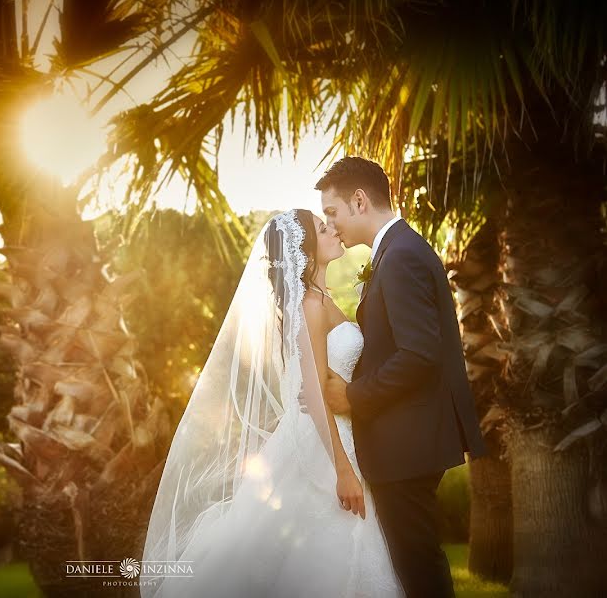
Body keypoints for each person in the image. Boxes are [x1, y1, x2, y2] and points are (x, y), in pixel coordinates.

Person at [140, 206, 404, 598]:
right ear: (306, 250)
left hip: (340, 432)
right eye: (321, 227)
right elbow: (313, 394)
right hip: (323, 443)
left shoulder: (323, 299)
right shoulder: (309, 307)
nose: (332, 229)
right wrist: (343, 470)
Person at [318, 156, 488, 598]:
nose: (331, 225)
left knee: (419, 569)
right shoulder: (399, 251)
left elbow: (418, 355)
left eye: (332, 212)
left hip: (407, 444)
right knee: (415, 565)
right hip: (408, 440)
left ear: (359, 201)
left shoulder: (400, 258)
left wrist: (354, 397)